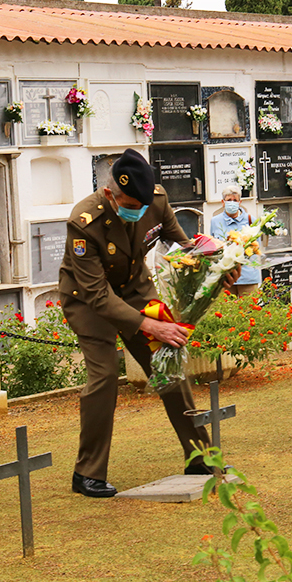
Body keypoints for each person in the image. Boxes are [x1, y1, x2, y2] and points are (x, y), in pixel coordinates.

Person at [59, 149, 227, 498]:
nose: (137, 210)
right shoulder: (83, 221)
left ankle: (199, 457)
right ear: (110, 194)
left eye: (142, 203)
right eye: (130, 203)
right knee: (104, 376)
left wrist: (215, 262)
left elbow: (181, 244)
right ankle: (87, 472)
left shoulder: (155, 198)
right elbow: (98, 295)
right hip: (89, 301)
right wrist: (152, 327)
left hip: (136, 289)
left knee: (170, 363)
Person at [209, 186, 261, 296]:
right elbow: (212, 247)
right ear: (223, 202)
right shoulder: (215, 221)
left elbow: (257, 248)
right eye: (229, 200)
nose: (232, 203)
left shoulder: (251, 220)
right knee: (227, 311)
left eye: (235, 200)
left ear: (240, 202)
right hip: (225, 278)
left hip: (248, 277)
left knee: (249, 311)